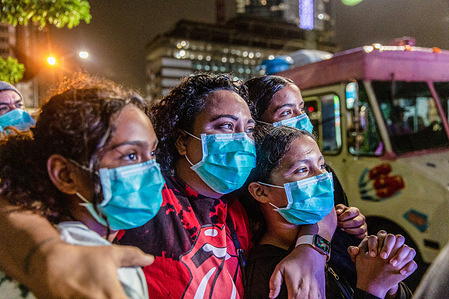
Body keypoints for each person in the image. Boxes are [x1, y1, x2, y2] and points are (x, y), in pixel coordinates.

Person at [118, 73, 336, 298]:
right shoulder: (148, 200)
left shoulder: (240, 204)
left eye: (249, 129)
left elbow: (320, 210)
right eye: (225, 126)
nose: (241, 139)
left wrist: (311, 248)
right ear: (183, 141)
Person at [0, 74, 165, 298]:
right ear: (65, 175)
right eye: (131, 155)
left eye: (152, 153)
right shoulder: (98, 274)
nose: (152, 172)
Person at [244, 125, 417, 298]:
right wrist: (373, 288)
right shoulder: (269, 276)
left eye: (322, 165)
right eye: (302, 170)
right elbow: (369, 287)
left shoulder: (333, 234)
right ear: (261, 191)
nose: (322, 177)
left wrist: (389, 279)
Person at [244, 75, 369, 286]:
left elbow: (331, 215)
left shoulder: (321, 173)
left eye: (301, 108)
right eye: (286, 112)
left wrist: (350, 226)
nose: (301, 119)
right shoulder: (268, 268)